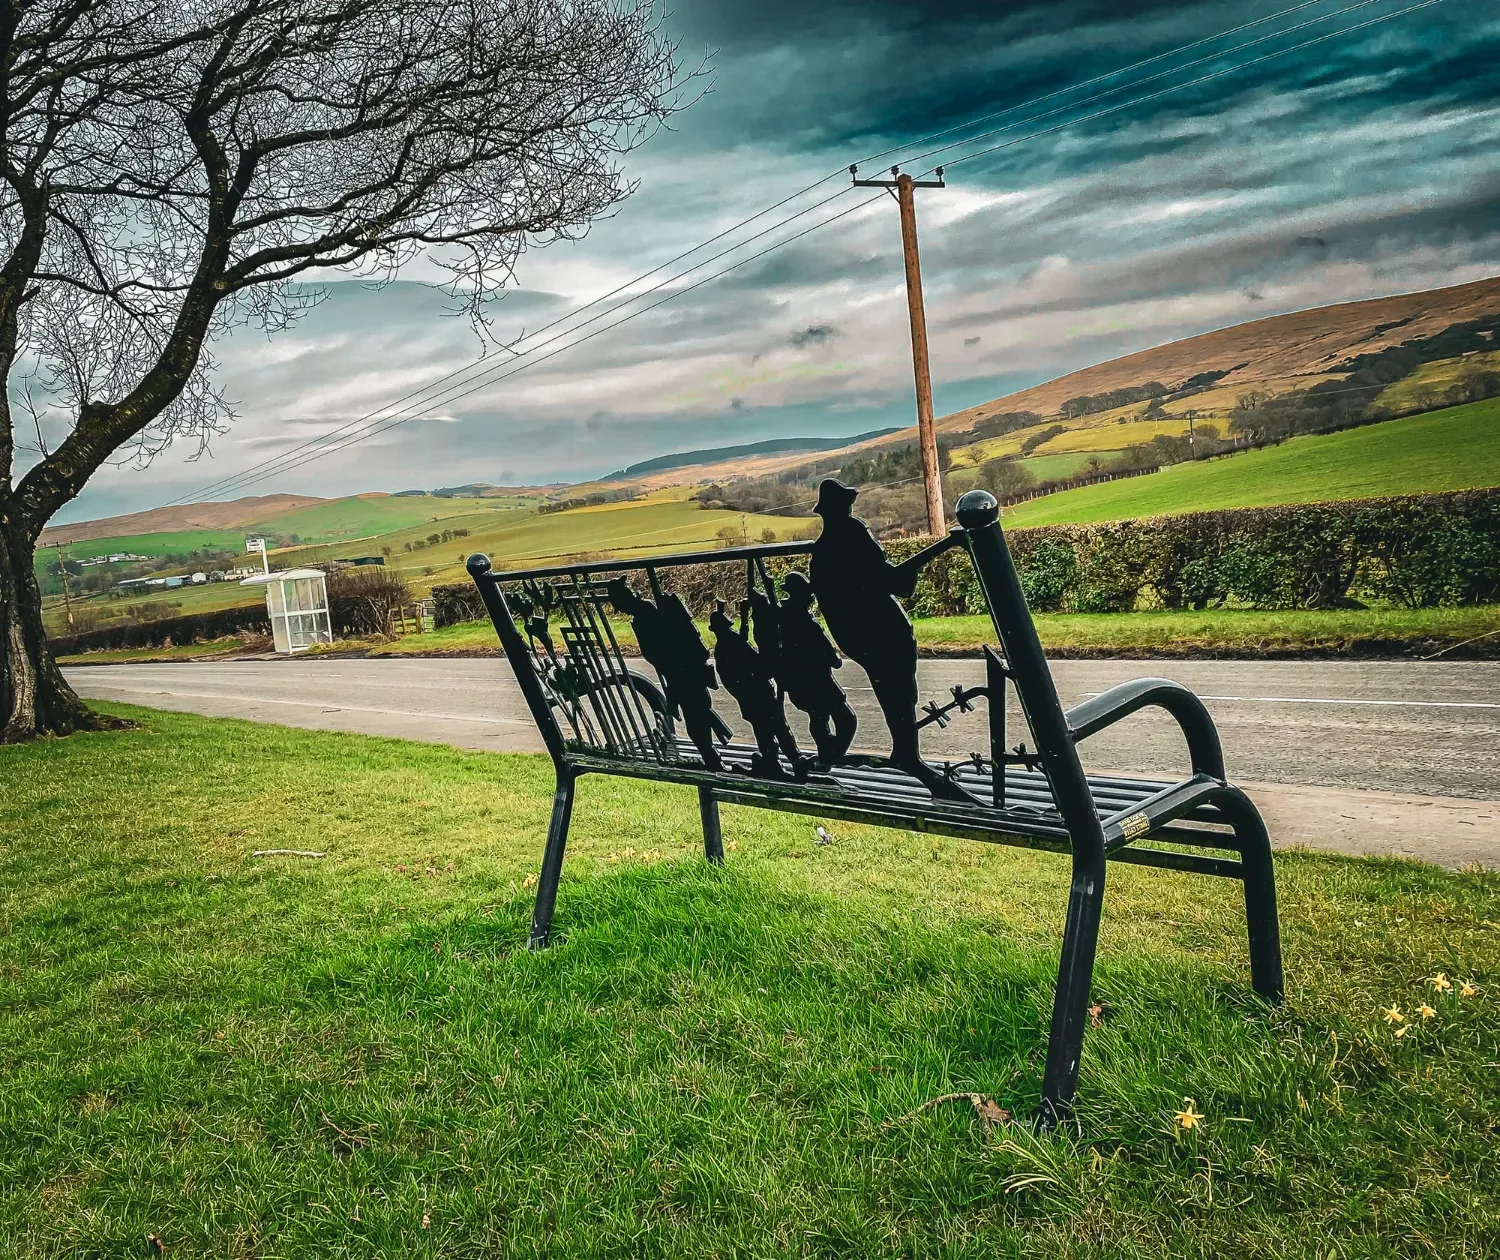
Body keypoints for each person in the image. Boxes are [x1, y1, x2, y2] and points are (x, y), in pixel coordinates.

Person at [808, 478, 971, 802]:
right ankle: (908, 756)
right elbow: (892, 581)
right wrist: (944, 547)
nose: (850, 507)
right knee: (899, 692)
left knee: (894, 692)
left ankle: (906, 753)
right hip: (882, 632)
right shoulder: (851, 535)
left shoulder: (823, 550)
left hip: (864, 638)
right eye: (845, 503)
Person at [606, 578, 722, 771]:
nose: (623, 611)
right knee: (696, 714)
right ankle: (710, 755)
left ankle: (710, 757)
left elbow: (660, 649)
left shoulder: (647, 614)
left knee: (696, 715)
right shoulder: (644, 614)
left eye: (621, 605)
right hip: (679, 672)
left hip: (683, 671)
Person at [709, 600, 806, 778]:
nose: (730, 628)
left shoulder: (728, 644)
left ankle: (788, 760)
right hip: (756, 695)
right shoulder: (728, 646)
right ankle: (781, 761)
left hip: (755, 695)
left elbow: (743, 639)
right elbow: (747, 657)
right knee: (773, 728)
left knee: (772, 728)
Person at [774, 570, 856, 765]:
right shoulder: (807, 624)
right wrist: (834, 659)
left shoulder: (783, 619)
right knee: (846, 718)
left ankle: (827, 752)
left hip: (800, 682)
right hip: (818, 681)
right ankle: (832, 754)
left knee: (818, 718)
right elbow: (831, 656)